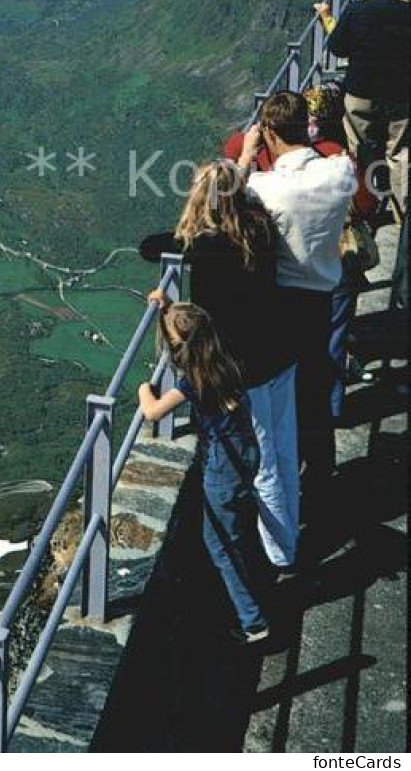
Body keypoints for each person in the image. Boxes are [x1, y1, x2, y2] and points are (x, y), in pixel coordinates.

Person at [140, 161, 299, 569]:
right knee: (283, 452)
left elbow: (148, 246)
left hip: (250, 370)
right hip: (282, 352)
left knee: (263, 466)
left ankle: (283, 557)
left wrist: (165, 301)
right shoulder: (259, 227)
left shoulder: (205, 245)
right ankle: (287, 539)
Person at [237, 92, 357, 492]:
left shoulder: (264, 188)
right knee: (316, 382)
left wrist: (246, 155)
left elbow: (225, 206)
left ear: (269, 132)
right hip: (322, 294)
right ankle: (321, 470)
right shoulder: (340, 173)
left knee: (280, 394)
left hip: (281, 300)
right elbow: (347, 170)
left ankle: (285, 475)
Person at [139, 301, 270, 644]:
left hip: (222, 469)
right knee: (237, 528)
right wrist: (164, 307)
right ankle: (259, 588)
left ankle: (253, 622)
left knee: (219, 544)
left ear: (182, 343)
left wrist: (142, 389)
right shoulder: (227, 361)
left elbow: (152, 412)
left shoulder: (192, 384)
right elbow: (187, 326)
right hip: (247, 451)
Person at [325, 0, 409, 217]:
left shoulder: (356, 10)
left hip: (361, 91)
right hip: (401, 93)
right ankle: (402, 213)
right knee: (400, 153)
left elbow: (337, 47)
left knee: (358, 150)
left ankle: (361, 208)